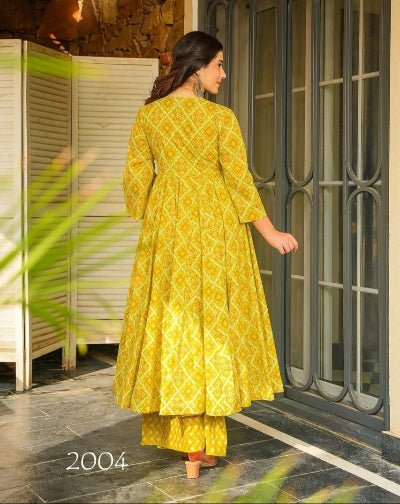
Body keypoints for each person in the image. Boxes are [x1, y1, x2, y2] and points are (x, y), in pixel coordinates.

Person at [112, 30, 298, 479]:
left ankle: (191, 447)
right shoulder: (220, 119)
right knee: (210, 329)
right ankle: (201, 447)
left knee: (175, 329)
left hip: (168, 234)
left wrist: (157, 211)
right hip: (216, 234)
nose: (223, 74)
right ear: (196, 68)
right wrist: (271, 233)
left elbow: (135, 182)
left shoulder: (150, 117)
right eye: (218, 64)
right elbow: (239, 183)